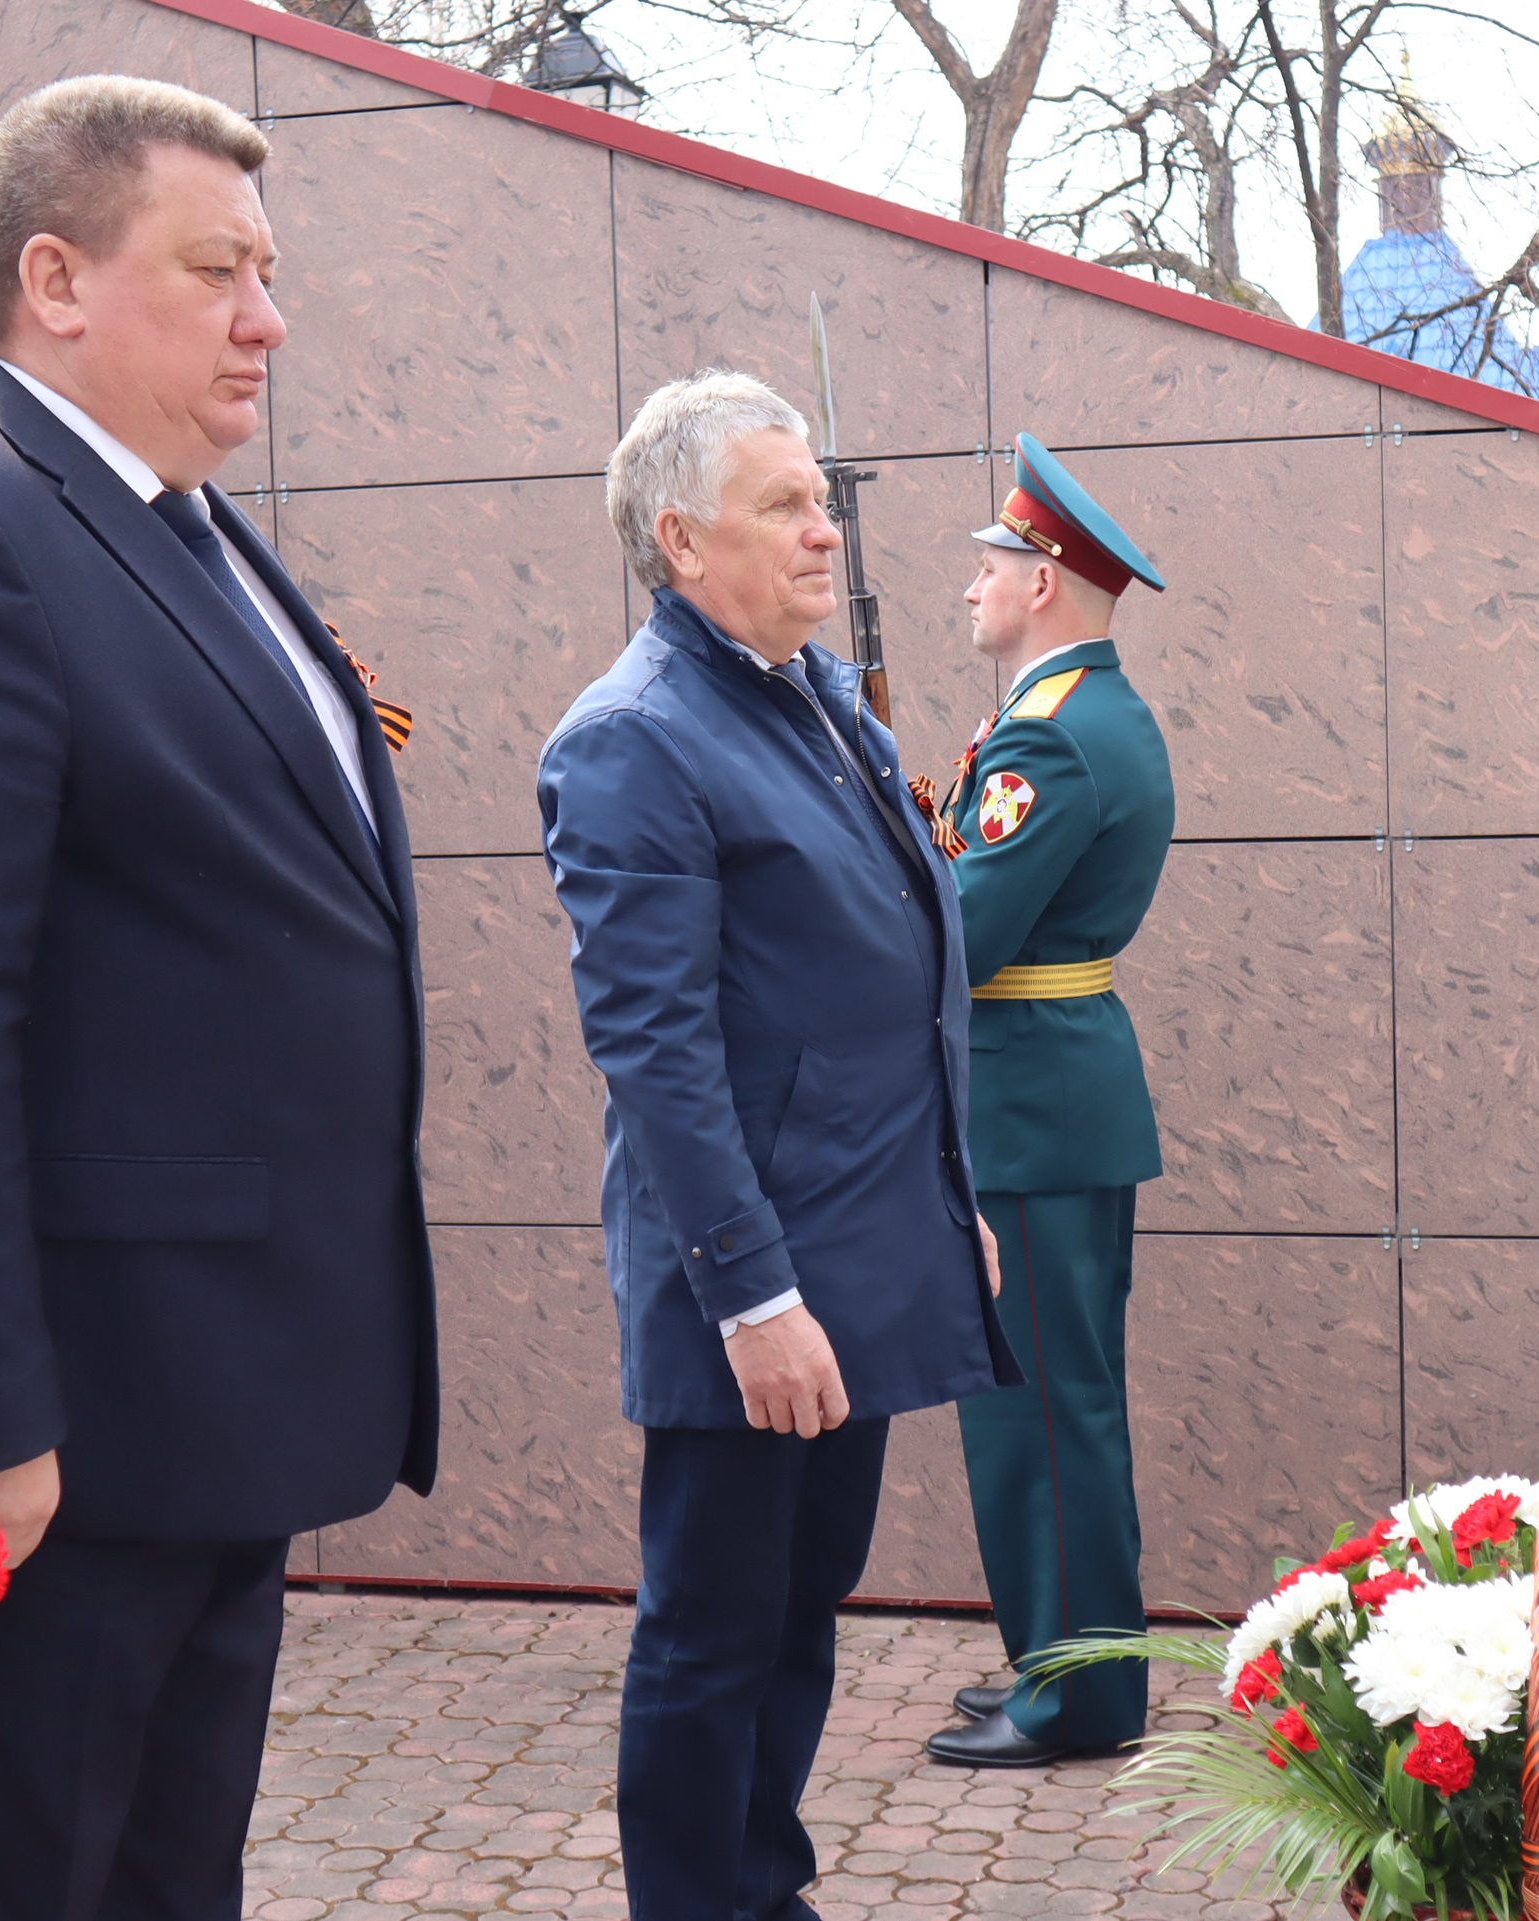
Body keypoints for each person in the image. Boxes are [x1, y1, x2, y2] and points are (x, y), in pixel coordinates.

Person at [0, 75, 437, 1920]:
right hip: (48, 1432)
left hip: (201, 1400)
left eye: (270, 270)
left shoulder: (179, 528)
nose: (267, 316)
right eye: (217, 268)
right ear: (54, 279)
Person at [539, 370, 1018, 1921]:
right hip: (756, 1281)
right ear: (681, 539)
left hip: (862, 1244)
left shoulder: (803, 693)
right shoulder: (635, 741)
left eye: (820, 502)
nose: (826, 533)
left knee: (797, 1613)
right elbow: (656, 1053)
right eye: (785, 507)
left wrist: (948, 1203)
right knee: (712, 1628)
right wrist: (752, 1298)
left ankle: (758, 1882)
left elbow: (886, 986)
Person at [921, 433, 1175, 1770]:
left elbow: (959, 932)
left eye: (991, 562)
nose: (970, 584)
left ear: (1046, 584)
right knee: (1041, 1400)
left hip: (1032, 1102)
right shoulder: (1066, 724)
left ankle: (1076, 1696)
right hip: (1043, 1094)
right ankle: (1053, 1660)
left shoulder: (1053, 742)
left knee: (1043, 1409)